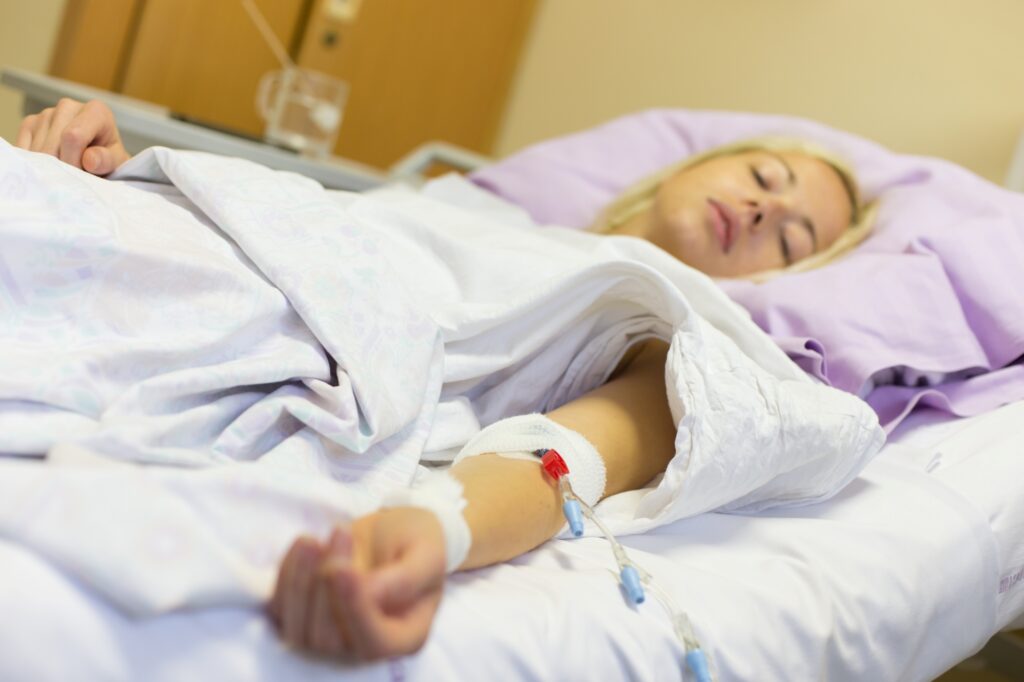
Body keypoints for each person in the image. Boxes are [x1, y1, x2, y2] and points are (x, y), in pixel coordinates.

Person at [14, 98, 872, 661]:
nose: (764, 208)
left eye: (792, 238)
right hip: (186, 241)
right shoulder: (461, 204)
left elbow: (592, 445)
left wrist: (436, 530)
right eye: (765, 178)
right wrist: (111, 175)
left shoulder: (663, 310)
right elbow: (303, 231)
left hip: (246, 323)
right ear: (687, 169)